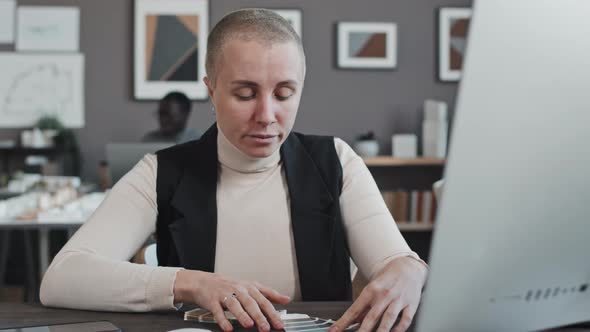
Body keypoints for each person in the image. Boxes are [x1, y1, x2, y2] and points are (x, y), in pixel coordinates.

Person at [40, 9, 428, 332]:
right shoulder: (161, 172)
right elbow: (62, 278)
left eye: (284, 94)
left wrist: (410, 270)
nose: (266, 115)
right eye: (245, 93)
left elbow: (394, 262)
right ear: (211, 91)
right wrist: (190, 283)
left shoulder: (337, 161)